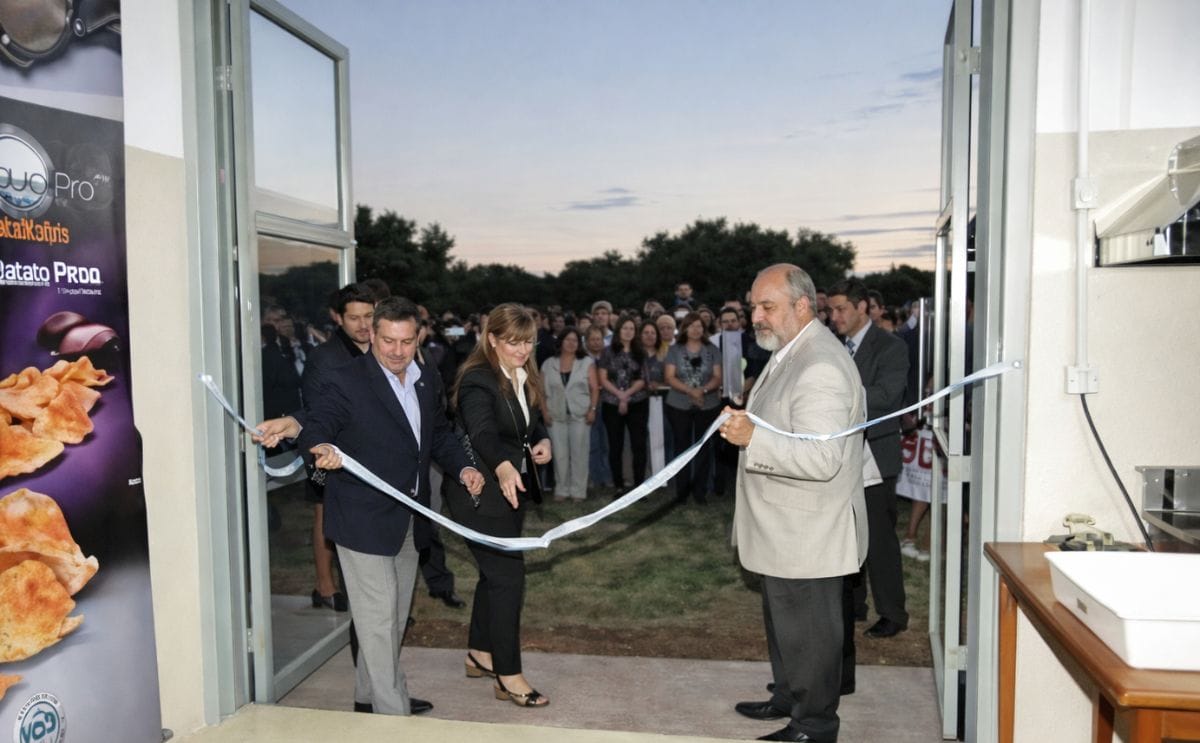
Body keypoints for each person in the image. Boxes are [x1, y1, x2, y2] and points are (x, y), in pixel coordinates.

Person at [258, 297, 485, 716]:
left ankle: (368, 694)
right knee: (379, 621)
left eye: (405, 341)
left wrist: (463, 468)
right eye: (387, 341)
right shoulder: (346, 380)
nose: (396, 351)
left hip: (410, 518)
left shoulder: (425, 376)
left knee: (392, 618)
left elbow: (439, 435)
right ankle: (391, 712)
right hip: (362, 520)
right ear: (372, 336)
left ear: (418, 337)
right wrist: (318, 445)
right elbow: (320, 421)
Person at [721, 263, 867, 743]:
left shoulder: (819, 363)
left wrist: (751, 439)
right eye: (753, 307)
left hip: (808, 530)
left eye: (768, 307)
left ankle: (814, 726)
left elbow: (822, 457)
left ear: (802, 305)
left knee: (809, 633)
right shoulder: (792, 349)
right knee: (788, 627)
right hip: (786, 527)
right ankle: (788, 696)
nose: (756, 317)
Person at [444, 304, 553, 708]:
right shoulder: (477, 380)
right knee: (508, 578)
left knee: (495, 575)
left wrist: (542, 440)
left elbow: (528, 421)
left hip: (511, 494)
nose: (522, 349)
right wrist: (505, 467)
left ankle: (479, 652)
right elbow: (483, 432)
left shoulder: (522, 374)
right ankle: (508, 675)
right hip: (479, 495)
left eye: (527, 342)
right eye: (512, 342)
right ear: (491, 339)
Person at [828, 278, 910, 640]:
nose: (834, 316)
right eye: (830, 310)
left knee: (879, 539)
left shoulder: (891, 347)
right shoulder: (833, 347)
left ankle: (892, 613)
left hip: (874, 454)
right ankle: (854, 603)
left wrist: (833, 397)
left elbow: (887, 396)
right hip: (839, 455)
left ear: (863, 307)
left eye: (840, 309)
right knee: (845, 534)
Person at [300, 282, 376, 612]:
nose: (363, 325)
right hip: (331, 454)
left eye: (369, 316)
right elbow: (319, 414)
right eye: (355, 318)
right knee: (326, 515)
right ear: (339, 319)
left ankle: (368, 597)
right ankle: (326, 586)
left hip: (368, 454)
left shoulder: (379, 350)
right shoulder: (325, 358)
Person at [663, 311, 723, 504]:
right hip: (678, 406)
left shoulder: (712, 349)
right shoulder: (675, 350)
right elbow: (669, 377)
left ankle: (700, 492)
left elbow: (717, 376)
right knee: (681, 448)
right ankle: (681, 492)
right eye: (692, 325)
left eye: (699, 326)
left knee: (703, 449)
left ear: (704, 329)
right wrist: (691, 391)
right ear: (685, 328)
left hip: (708, 405)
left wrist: (702, 391)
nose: (696, 329)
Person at [540, 327, 599, 501]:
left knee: (580, 454)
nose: (572, 343)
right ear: (561, 342)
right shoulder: (548, 364)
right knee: (559, 455)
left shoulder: (586, 362)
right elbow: (540, 391)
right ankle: (562, 489)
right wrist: (544, 412)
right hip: (555, 415)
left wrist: (592, 410)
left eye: (575, 340)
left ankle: (578, 491)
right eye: (568, 340)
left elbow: (594, 389)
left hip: (580, 416)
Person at [597, 314, 649, 493]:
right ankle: (618, 486)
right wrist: (619, 395)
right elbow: (602, 378)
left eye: (632, 329)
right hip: (611, 403)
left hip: (638, 403)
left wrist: (626, 395)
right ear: (618, 330)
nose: (628, 332)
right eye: (625, 328)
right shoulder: (607, 351)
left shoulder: (640, 352)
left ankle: (639, 487)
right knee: (615, 445)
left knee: (639, 446)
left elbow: (642, 380)